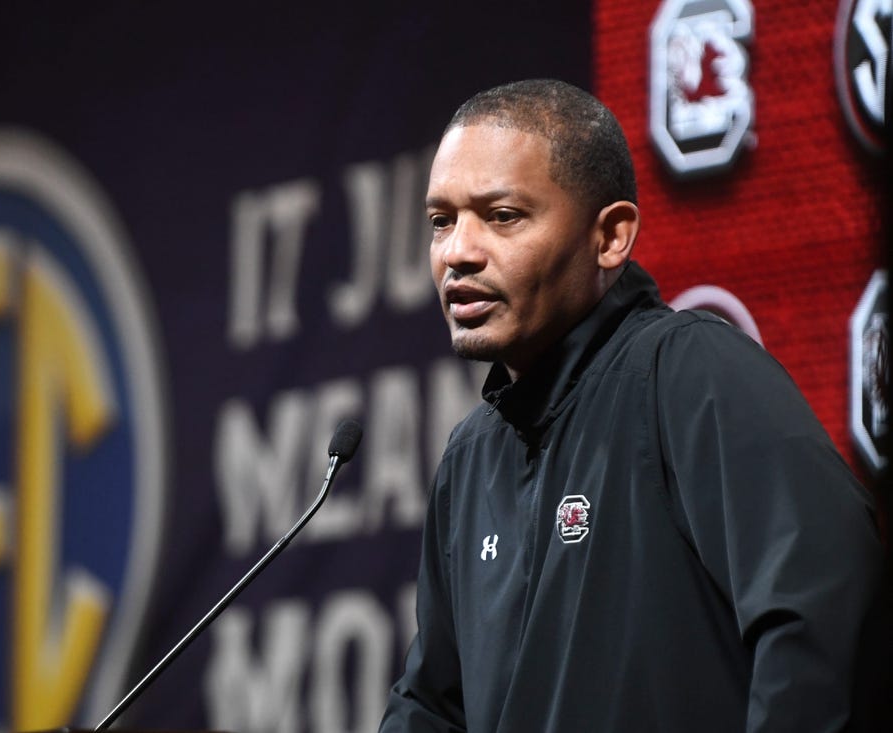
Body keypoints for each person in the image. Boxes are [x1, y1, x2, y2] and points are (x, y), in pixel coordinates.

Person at [379, 79, 889, 732]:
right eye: (441, 222)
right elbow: (432, 707)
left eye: (502, 215)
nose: (458, 252)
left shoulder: (692, 372)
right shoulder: (471, 457)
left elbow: (825, 605)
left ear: (612, 236)